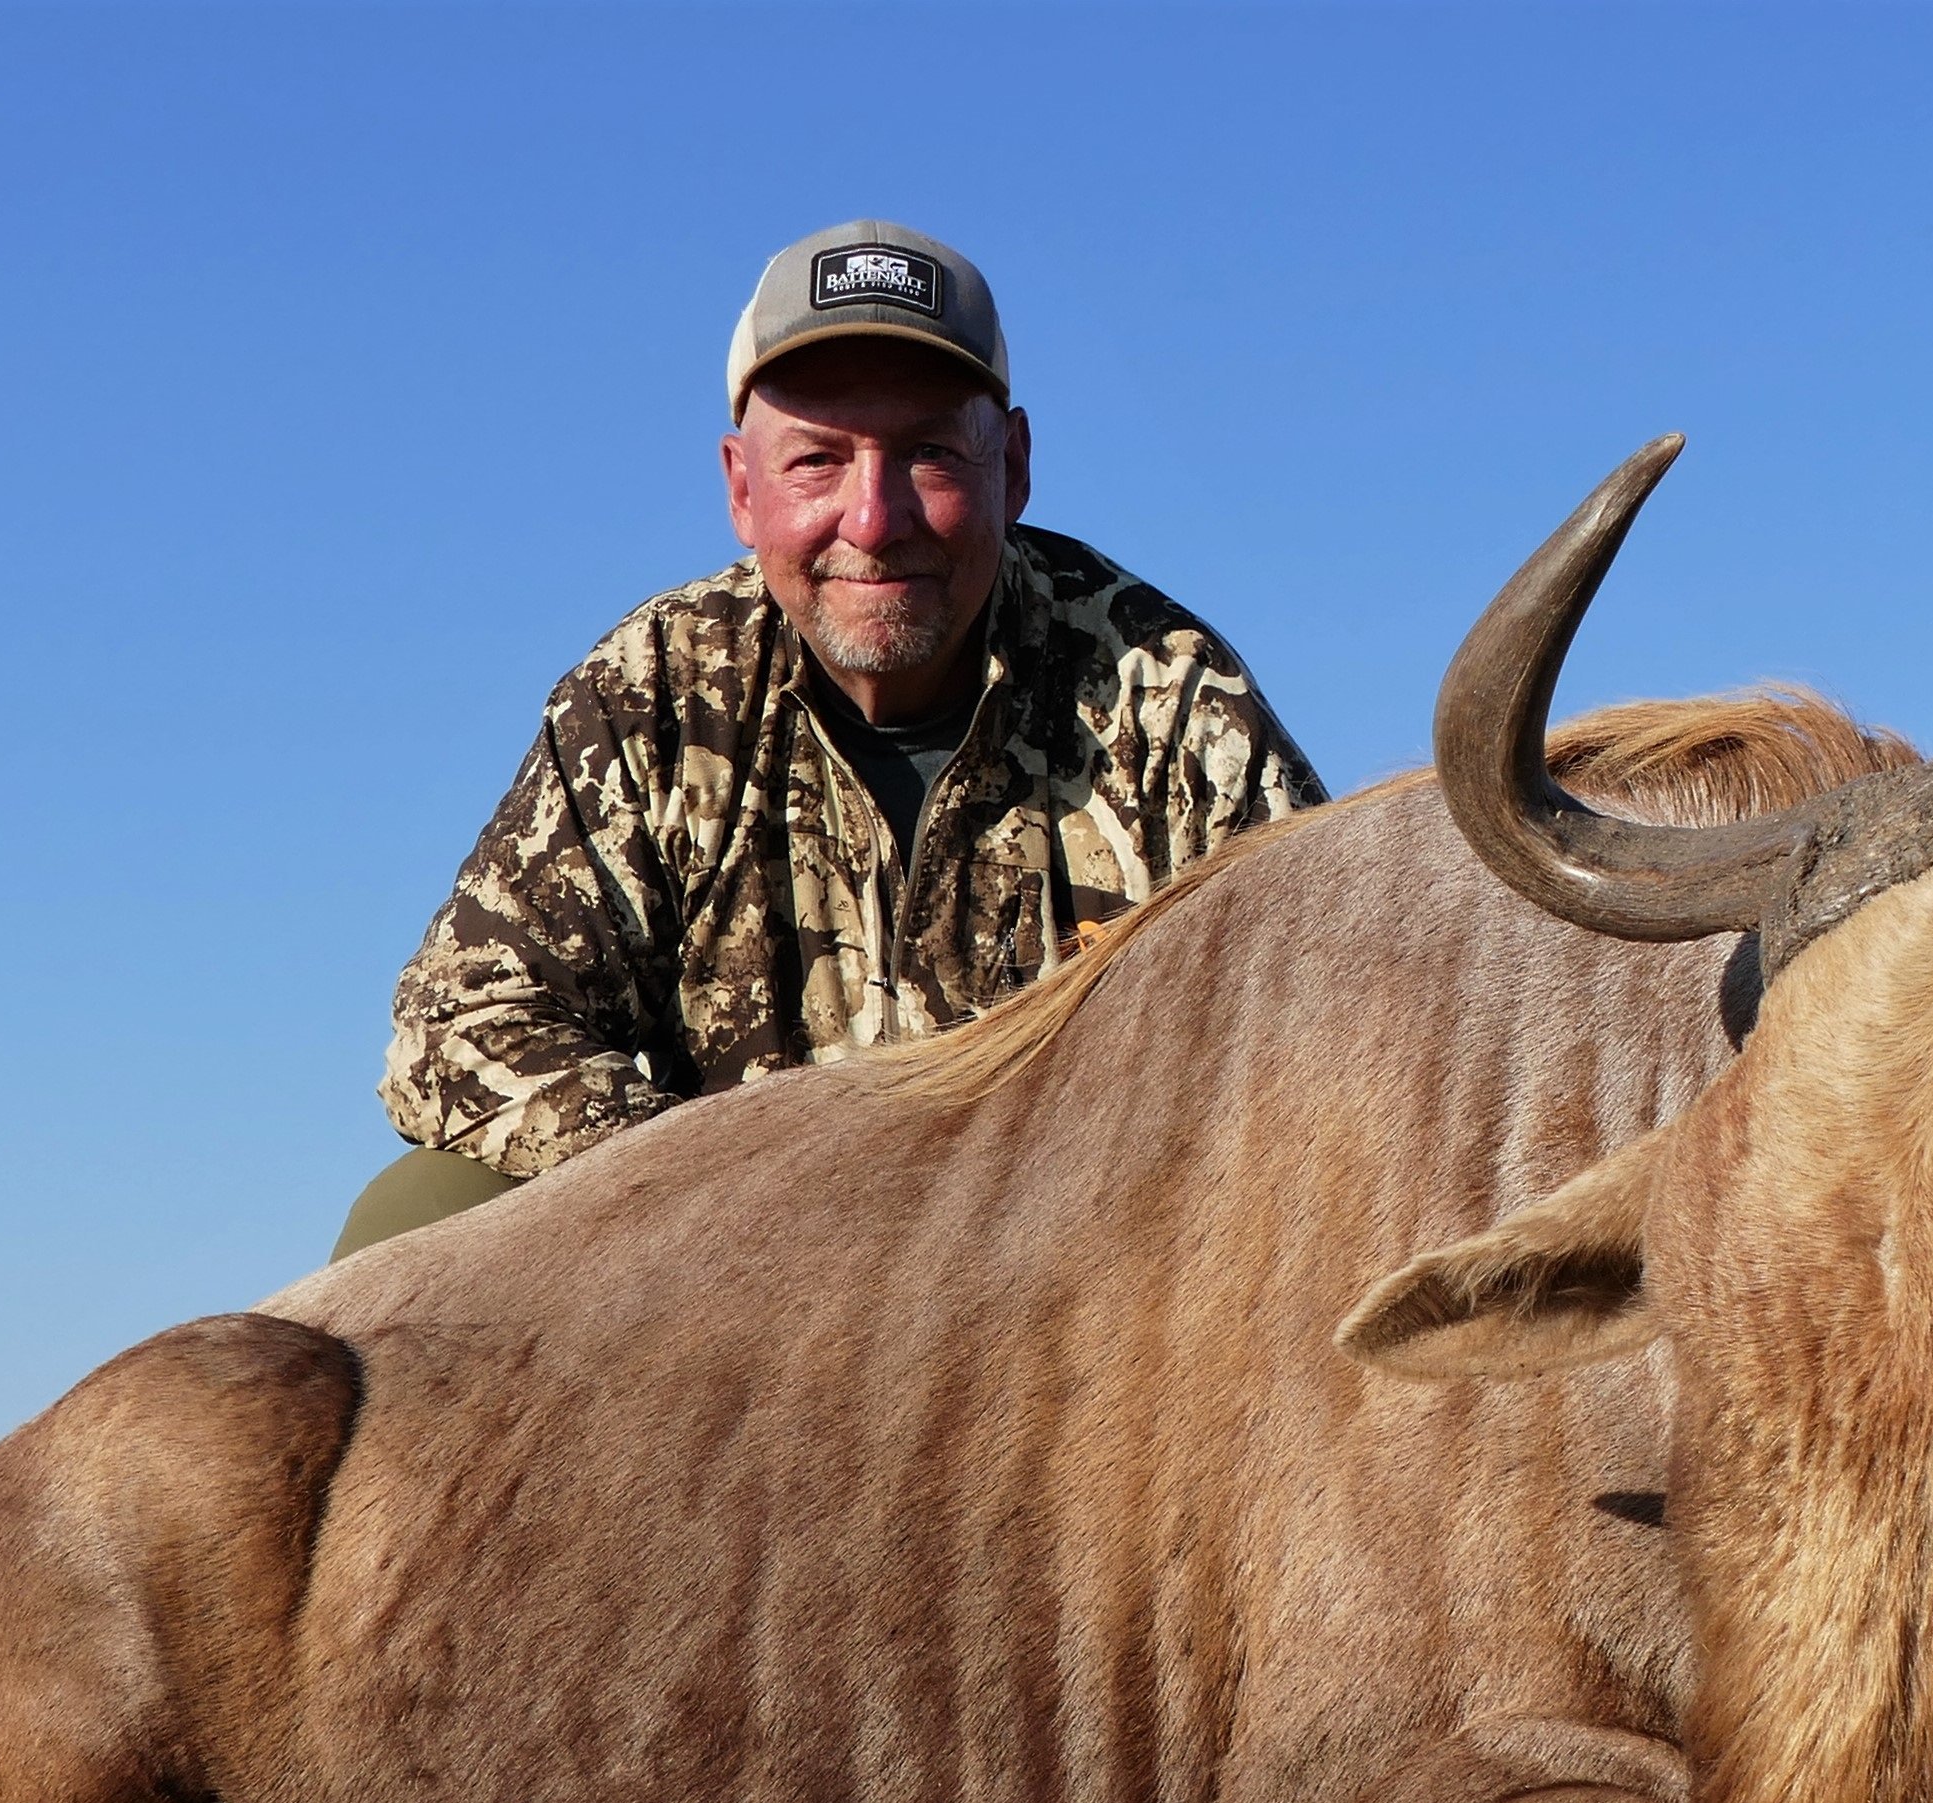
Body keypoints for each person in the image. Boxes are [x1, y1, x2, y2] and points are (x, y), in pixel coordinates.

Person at [335, 218, 1328, 1257]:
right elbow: (457, 1026)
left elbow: (1325, 1028)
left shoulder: (1160, 689)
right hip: (740, 1272)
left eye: (930, 455)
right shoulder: (655, 693)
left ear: (1015, 467)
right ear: (739, 488)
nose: (873, 517)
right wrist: (754, 1197)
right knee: (418, 1212)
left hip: (1071, 1281)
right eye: (816, 461)